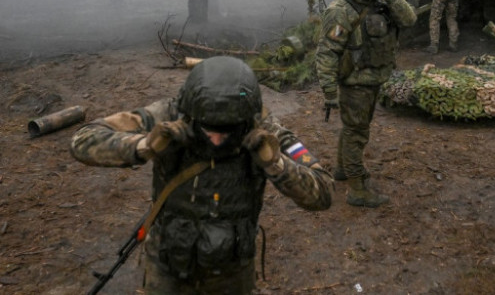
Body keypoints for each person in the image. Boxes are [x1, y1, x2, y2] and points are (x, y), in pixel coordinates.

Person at [70, 56, 333, 293]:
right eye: (209, 130)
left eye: (227, 131)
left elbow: (323, 192)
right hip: (167, 267)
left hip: (231, 274)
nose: (217, 140)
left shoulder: (264, 129)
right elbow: (84, 139)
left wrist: (276, 165)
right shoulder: (169, 114)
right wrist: (143, 146)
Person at [315, 0, 417, 208]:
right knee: (356, 132)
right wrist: (329, 91)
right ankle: (357, 189)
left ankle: (342, 170)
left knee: (353, 129)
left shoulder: (380, 3)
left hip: (371, 79)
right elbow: (327, 53)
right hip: (355, 83)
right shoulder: (341, 10)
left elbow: (409, 19)